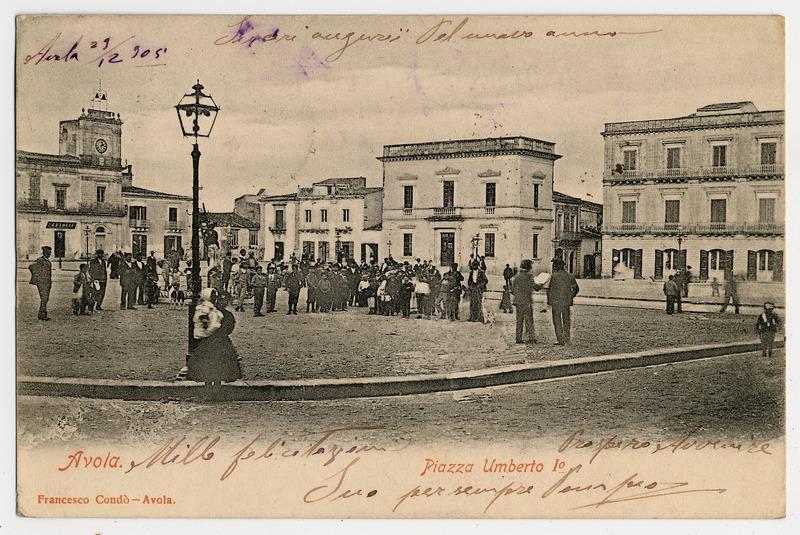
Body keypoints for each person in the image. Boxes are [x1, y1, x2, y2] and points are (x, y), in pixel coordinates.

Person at [187, 289, 242, 391]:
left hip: (217, 341)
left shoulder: (221, 313)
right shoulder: (210, 311)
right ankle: (211, 389)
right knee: (210, 366)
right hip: (213, 341)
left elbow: (228, 328)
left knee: (217, 366)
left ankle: (215, 389)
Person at [548, 259, 580, 345]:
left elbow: (550, 290)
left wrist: (549, 301)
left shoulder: (554, 276)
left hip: (556, 302)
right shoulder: (570, 276)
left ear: (558, 266)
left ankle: (560, 340)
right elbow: (576, 288)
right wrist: (570, 297)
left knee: (557, 320)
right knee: (566, 320)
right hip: (566, 302)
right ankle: (567, 338)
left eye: (555, 265)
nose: (554, 267)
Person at [511, 259, 543, 343]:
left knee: (519, 320)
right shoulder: (529, 276)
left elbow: (512, 290)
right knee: (529, 320)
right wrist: (541, 284)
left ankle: (518, 338)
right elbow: (536, 287)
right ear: (528, 267)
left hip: (518, 302)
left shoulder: (516, 277)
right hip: (526, 301)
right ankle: (531, 338)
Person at [28, 246, 53, 321]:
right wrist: (38, 277)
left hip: (47, 282)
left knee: (46, 299)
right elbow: (31, 266)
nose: (50, 254)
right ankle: (42, 315)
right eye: (48, 253)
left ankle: (42, 314)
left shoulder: (47, 261)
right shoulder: (40, 260)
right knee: (44, 298)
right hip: (42, 283)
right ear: (44, 252)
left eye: (50, 253)